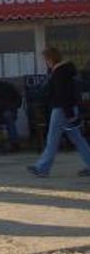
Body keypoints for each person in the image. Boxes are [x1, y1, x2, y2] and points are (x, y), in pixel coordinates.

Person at [27, 47, 90, 178]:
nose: (45, 62)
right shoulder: (66, 71)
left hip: (61, 109)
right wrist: (71, 114)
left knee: (52, 139)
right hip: (68, 108)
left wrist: (69, 114)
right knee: (77, 138)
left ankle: (42, 168)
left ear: (50, 59)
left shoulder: (59, 72)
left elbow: (62, 94)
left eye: (46, 59)